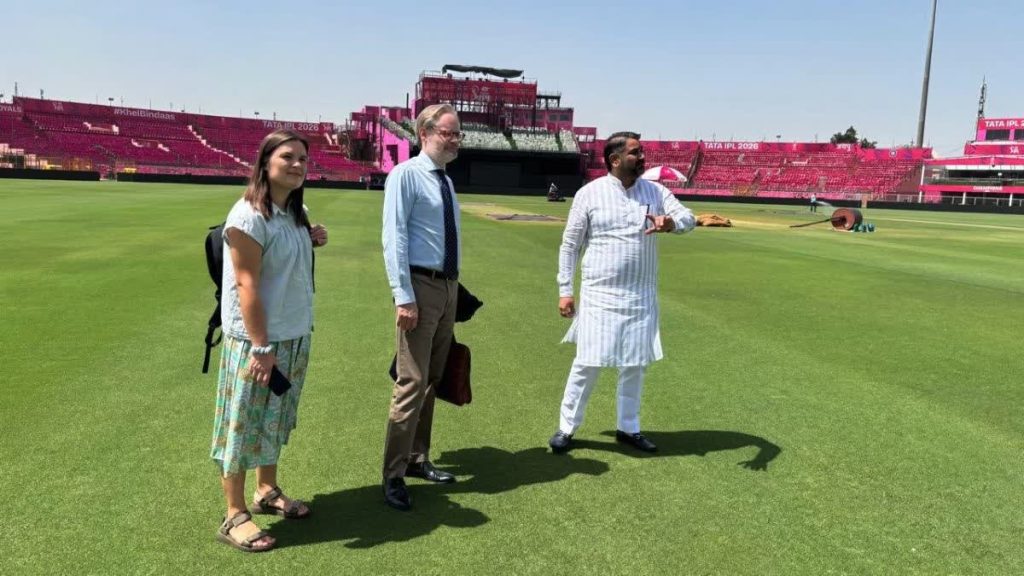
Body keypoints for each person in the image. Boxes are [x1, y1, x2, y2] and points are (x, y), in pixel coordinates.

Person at [211, 129, 328, 552]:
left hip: (293, 334)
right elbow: (246, 285)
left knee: (274, 420)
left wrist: (309, 238)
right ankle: (234, 514)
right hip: (257, 342)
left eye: (303, 159)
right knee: (241, 424)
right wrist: (261, 348)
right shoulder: (247, 216)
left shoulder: (296, 212)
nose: (297, 165)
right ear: (265, 163)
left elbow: (282, 263)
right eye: (287, 157)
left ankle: (266, 490)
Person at [548, 131, 696, 454]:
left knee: (635, 365)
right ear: (615, 160)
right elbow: (570, 245)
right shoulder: (589, 194)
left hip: (640, 295)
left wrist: (671, 223)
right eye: (635, 153)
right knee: (587, 362)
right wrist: (565, 290)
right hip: (599, 295)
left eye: (641, 152)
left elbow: (689, 218)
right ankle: (566, 427)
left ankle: (628, 428)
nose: (642, 158)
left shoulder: (655, 191)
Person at [381, 103, 464, 511]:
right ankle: (393, 473)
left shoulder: (445, 181)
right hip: (420, 286)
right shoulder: (406, 175)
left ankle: (417, 458)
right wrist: (403, 295)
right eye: (448, 133)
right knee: (411, 380)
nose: (455, 140)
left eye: (458, 134)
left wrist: (454, 289)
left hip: (446, 287)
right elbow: (394, 236)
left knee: (431, 378)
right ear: (424, 132)